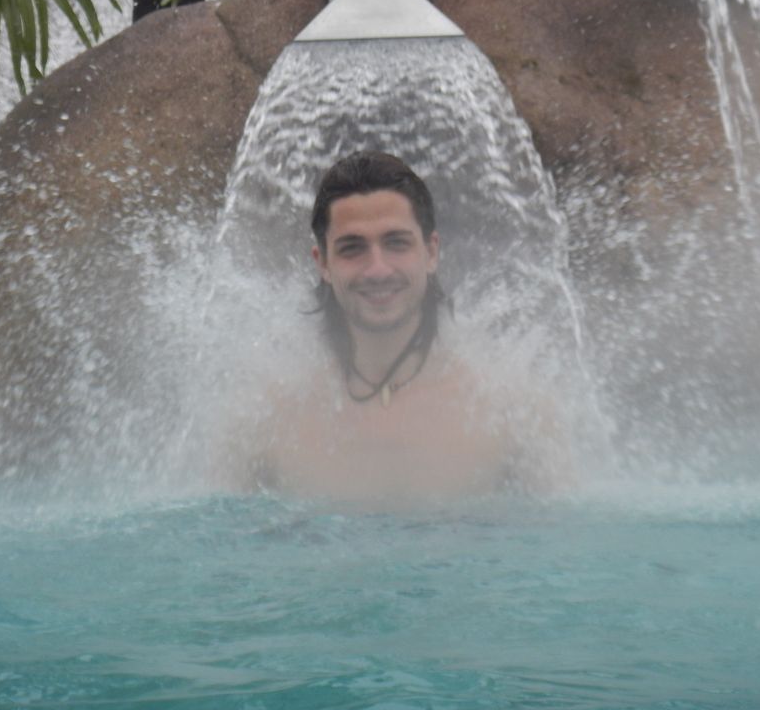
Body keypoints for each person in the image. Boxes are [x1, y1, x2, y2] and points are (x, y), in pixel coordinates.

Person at [219, 151, 572, 503]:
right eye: (352, 248)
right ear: (323, 263)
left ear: (431, 252)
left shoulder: (513, 420)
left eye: (396, 243)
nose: (378, 269)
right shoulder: (264, 428)